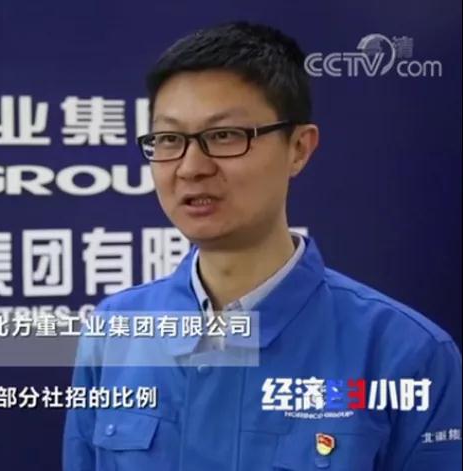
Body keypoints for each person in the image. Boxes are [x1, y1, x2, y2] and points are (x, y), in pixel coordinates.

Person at [62, 21, 461, 470]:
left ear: (299, 148)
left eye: (225, 135)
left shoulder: (405, 352)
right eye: (169, 139)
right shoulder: (115, 330)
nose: (191, 167)